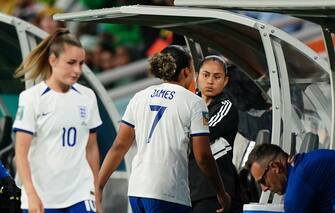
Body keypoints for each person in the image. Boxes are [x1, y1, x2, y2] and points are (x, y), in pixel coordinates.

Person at [97, 45, 231, 213]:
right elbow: (203, 156)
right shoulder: (194, 103)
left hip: (137, 190)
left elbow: (119, 146)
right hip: (168, 192)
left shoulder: (140, 96)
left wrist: (99, 186)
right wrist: (221, 192)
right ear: (185, 72)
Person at [13, 28, 102, 213]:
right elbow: (21, 153)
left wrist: (96, 192)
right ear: (52, 60)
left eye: (81, 63)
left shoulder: (88, 96)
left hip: (81, 193)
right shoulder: (31, 98)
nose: (77, 70)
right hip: (43, 196)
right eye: (71, 63)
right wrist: (30, 194)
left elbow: (91, 147)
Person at [189, 55, 243, 213]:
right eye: (205, 75)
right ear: (197, 76)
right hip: (187, 190)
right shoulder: (189, 103)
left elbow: (203, 134)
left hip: (213, 193)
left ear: (225, 81)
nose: (210, 81)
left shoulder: (227, 108)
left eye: (217, 77)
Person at [246, 143, 335, 213]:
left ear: (275, 166)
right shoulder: (306, 162)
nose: (264, 188)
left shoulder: (297, 187)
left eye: (263, 180)